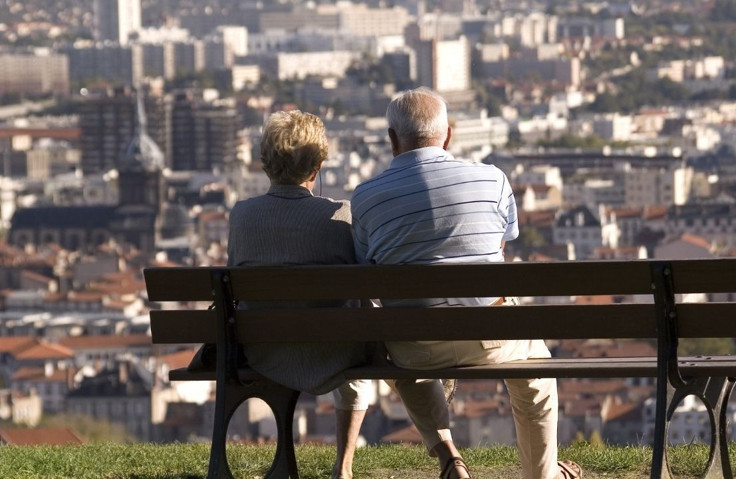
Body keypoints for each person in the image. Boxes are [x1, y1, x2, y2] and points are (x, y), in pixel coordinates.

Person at [350, 88, 582, 479]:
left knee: (398, 351)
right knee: (536, 378)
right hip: (488, 335)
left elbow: (366, 265)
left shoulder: (366, 198)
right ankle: (543, 475)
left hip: (414, 346)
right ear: (449, 134)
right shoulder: (492, 179)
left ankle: (449, 459)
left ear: (392, 139)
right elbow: (500, 244)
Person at [228, 110, 370, 479]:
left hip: (263, 350)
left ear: (264, 163)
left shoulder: (242, 216)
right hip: (335, 351)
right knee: (356, 365)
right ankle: (344, 466)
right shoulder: (341, 216)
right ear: (318, 166)